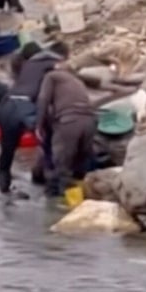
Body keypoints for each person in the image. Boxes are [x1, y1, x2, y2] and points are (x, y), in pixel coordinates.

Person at [0, 42, 67, 194]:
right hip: (26, 107)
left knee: (7, 151)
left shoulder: (29, 64)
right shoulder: (56, 65)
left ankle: (4, 192)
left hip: (7, 105)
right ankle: (53, 191)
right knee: (49, 140)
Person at [36, 50, 98, 197]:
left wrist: (38, 125)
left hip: (70, 122)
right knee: (79, 167)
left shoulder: (51, 76)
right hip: (90, 122)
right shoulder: (76, 81)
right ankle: (80, 201)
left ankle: (60, 209)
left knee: (61, 168)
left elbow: (43, 100)